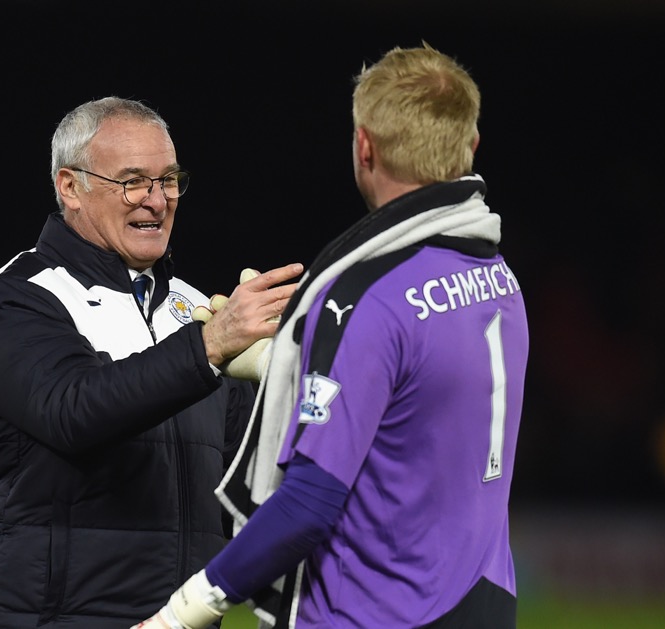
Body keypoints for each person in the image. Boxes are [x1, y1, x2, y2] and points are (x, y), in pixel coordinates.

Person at [135, 42, 529, 629]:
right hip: (481, 600)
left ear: (363, 147)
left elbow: (309, 504)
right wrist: (287, 365)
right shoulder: (496, 275)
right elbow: (417, 409)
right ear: (470, 146)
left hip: (378, 610)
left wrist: (183, 610)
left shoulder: (365, 298)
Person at [0, 96, 304, 628]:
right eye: (133, 181)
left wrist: (283, 376)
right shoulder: (10, 301)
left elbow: (246, 471)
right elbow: (73, 411)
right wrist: (208, 348)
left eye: (168, 180)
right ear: (71, 186)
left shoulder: (195, 309)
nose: (156, 201)